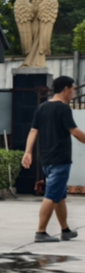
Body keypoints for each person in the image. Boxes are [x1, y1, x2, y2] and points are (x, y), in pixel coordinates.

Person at [22, 75, 85, 242]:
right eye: (73, 89)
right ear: (66, 89)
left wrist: (27, 152)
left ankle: (65, 230)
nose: (73, 93)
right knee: (51, 195)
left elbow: (33, 131)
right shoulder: (63, 109)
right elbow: (75, 131)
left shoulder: (42, 107)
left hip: (46, 159)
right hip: (60, 159)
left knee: (60, 195)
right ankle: (41, 232)